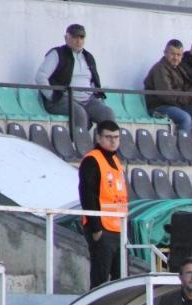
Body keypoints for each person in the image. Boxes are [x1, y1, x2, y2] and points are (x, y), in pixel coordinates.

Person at [34, 24, 115, 131]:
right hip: (62, 99)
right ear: (66, 37)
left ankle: (106, 142)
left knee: (107, 113)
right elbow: (40, 77)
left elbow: (93, 81)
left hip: (87, 100)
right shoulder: (57, 53)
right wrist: (52, 96)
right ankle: (79, 141)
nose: (78, 41)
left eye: (81, 37)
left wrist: (97, 96)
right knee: (79, 113)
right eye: (75, 37)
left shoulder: (88, 56)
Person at [77, 120, 127, 290]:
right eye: (108, 137)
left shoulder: (116, 161)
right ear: (98, 138)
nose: (113, 141)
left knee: (120, 277)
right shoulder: (92, 160)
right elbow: (87, 195)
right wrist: (96, 228)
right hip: (102, 228)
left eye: (116, 137)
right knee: (100, 276)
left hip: (117, 227)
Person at [144, 39, 192, 134]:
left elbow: (188, 88)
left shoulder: (179, 68)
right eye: (173, 54)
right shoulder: (160, 69)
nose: (176, 58)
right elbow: (167, 96)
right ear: (165, 53)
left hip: (176, 106)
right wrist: (190, 99)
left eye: (179, 55)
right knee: (185, 118)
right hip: (159, 107)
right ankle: (182, 142)